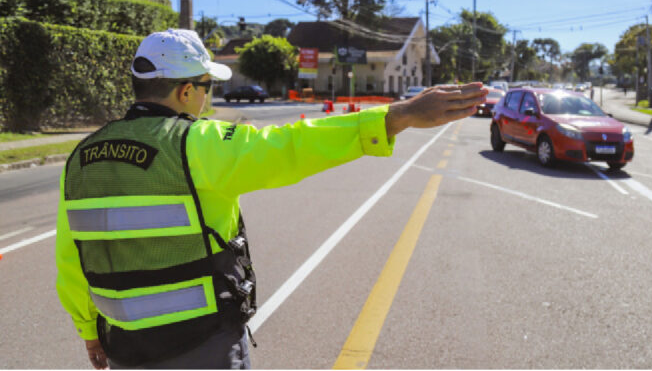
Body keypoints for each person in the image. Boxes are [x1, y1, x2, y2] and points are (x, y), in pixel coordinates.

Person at [55, 29, 487, 369]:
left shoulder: (81, 157)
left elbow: (72, 258)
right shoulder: (196, 143)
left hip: (122, 346)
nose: (208, 97)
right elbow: (292, 146)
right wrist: (399, 116)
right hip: (199, 345)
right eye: (207, 86)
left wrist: (88, 330)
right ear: (186, 92)